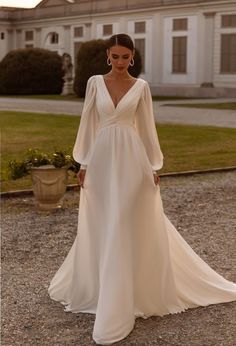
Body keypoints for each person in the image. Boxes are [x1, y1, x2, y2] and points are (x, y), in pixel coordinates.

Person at [48, 34, 236, 345]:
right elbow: (88, 124)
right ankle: (104, 289)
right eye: (115, 56)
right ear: (108, 56)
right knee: (105, 222)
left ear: (132, 58)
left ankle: (125, 297)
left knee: (126, 222)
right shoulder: (95, 83)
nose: (120, 62)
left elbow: (147, 128)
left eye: (126, 57)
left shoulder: (141, 87)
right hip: (103, 159)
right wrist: (82, 163)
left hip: (133, 161)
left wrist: (152, 166)